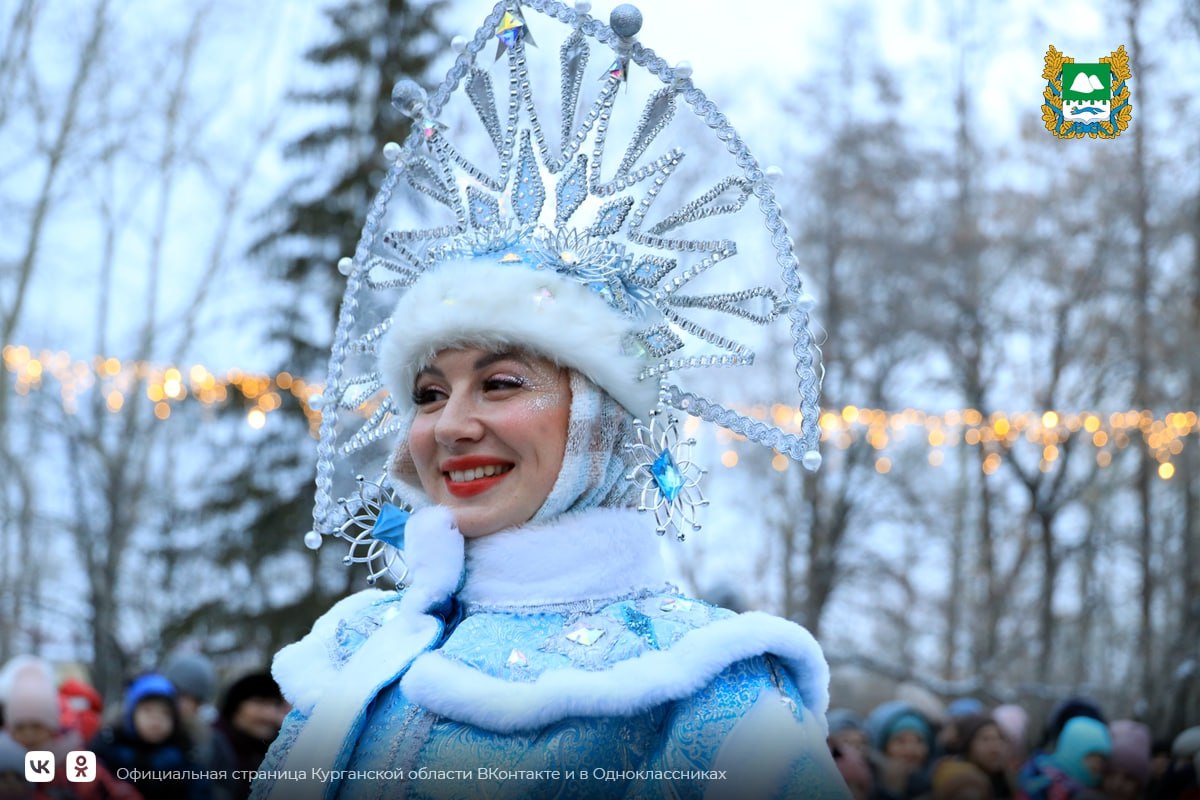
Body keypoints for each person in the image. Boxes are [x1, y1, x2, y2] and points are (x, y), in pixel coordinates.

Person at [249, 3, 844, 798]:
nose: (453, 426)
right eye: (429, 393)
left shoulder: (703, 691)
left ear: (601, 419)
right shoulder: (361, 648)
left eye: (501, 383)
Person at [90, 673, 204, 800]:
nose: (156, 719)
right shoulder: (106, 750)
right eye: (148, 710)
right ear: (131, 714)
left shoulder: (186, 759)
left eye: (165, 713)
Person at [214, 672, 287, 800]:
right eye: (260, 703)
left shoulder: (278, 753)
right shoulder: (211, 748)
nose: (269, 715)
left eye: (275, 704)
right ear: (235, 707)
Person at [1016, 716, 1111, 800]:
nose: (1097, 764)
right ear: (1072, 752)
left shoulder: (1090, 789)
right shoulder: (1049, 784)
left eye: (1102, 759)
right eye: (1092, 756)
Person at [865, 700, 935, 800]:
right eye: (900, 741)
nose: (910, 749)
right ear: (883, 746)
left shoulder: (940, 786)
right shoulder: (866, 789)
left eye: (919, 741)